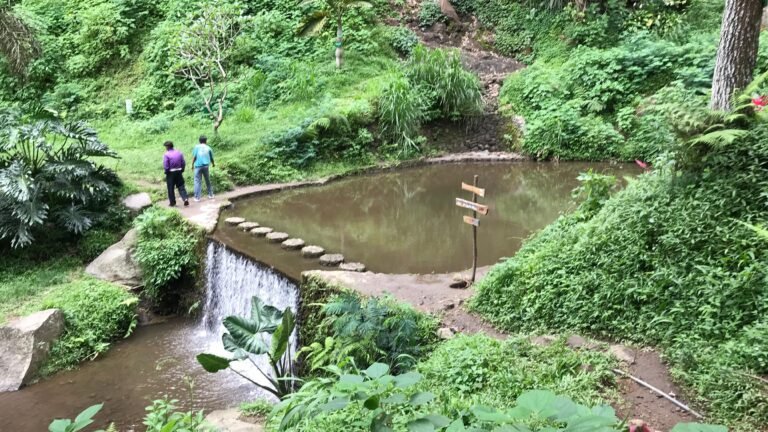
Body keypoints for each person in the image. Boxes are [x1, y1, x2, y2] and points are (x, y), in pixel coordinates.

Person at [162, 141, 189, 207]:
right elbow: (183, 162)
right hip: (179, 171)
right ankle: (185, 199)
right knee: (181, 186)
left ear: (167, 147)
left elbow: (166, 165)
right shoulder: (179, 153)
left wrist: (166, 171)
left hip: (171, 173)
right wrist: (182, 170)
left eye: (166, 147)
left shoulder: (166, 154)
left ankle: (172, 202)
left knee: (170, 188)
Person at [192, 135, 215, 201]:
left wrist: (192, 165)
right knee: (207, 180)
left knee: (197, 181)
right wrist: (213, 164)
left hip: (198, 166)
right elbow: (211, 158)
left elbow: (194, 157)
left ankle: (197, 198)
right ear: (206, 141)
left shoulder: (196, 147)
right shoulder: (208, 148)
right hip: (206, 166)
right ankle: (211, 195)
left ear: (199, 141)